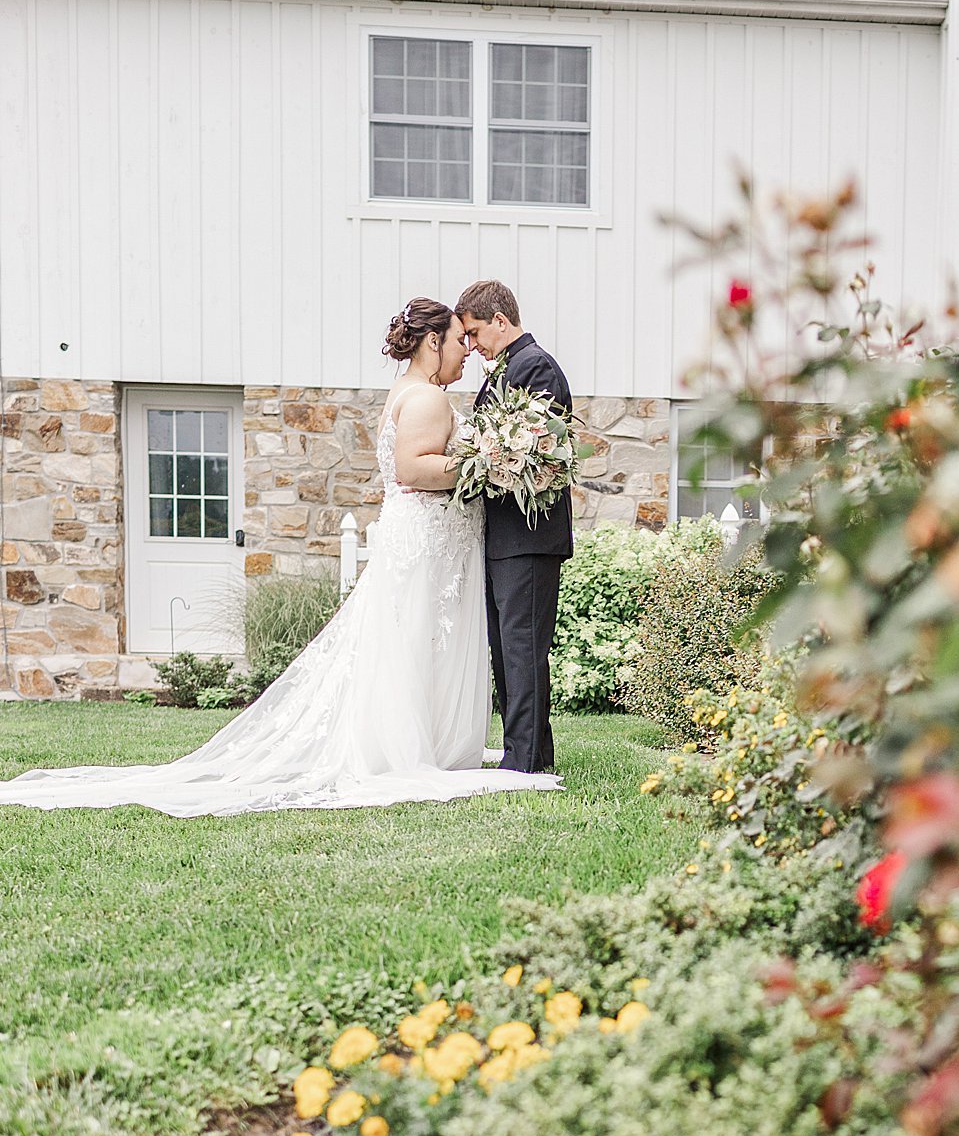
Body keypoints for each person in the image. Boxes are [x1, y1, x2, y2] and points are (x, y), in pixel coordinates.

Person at [0, 298, 558, 816]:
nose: (467, 351)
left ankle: (421, 741)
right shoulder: (429, 397)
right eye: (460, 340)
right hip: (426, 539)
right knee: (413, 639)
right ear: (432, 342)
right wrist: (487, 460)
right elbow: (414, 470)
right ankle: (406, 747)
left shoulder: (405, 393)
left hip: (424, 539)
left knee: (410, 639)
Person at [455, 280, 573, 775]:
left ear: (501, 321)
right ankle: (531, 754)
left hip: (529, 537)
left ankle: (523, 762)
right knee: (510, 651)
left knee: (522, 649)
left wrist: (486, 456)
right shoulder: (507, 367)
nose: (472, 345)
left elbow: (539, 450)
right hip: (506, 538)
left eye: (476, 332)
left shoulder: (536, 366)